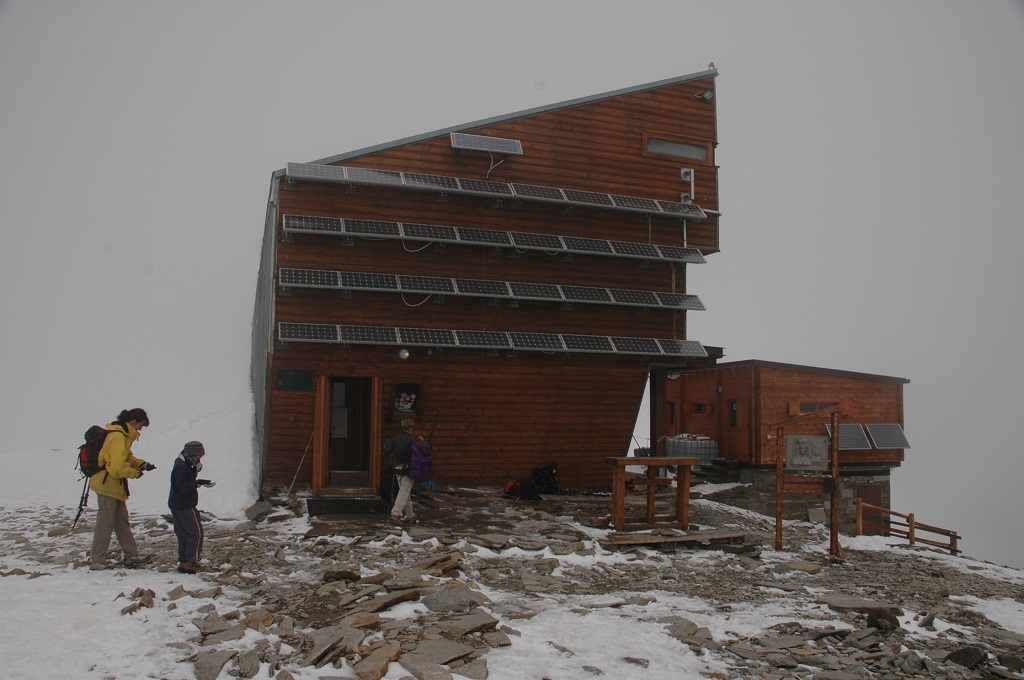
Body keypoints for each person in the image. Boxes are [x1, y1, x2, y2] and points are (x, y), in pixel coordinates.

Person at [89, 408, 156, 570]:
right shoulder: (117, 437)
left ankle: (131, 556)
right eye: (140, 425)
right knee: (105, 523)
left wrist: (141, 464)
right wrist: (135, 473)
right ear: (133, 421)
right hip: (107, 485)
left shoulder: (121, 436)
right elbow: (117, 467)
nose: (140, 429)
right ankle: (98, 561)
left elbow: (127, 457)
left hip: (115, 486)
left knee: (121, 523)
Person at [168, 440, 215, 574]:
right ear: (193, 454)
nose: (200, 459)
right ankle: (191, 561)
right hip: (185, 504)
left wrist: (195, 471)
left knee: (183, 533)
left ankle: (184, 561)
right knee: (195, 532)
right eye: (199, 456)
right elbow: (184, 487)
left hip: (176, 503)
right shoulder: (181, 467)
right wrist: (197, 483)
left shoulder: (183, 463)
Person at [385, 418, 420, 525]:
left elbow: (388, 450)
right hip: (407, 469)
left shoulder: (395, 438)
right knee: (404, 492)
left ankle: (410, 515)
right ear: (410, 427)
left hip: (397, 467)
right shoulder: (412, 440)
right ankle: (395, 515)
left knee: (404, 491)